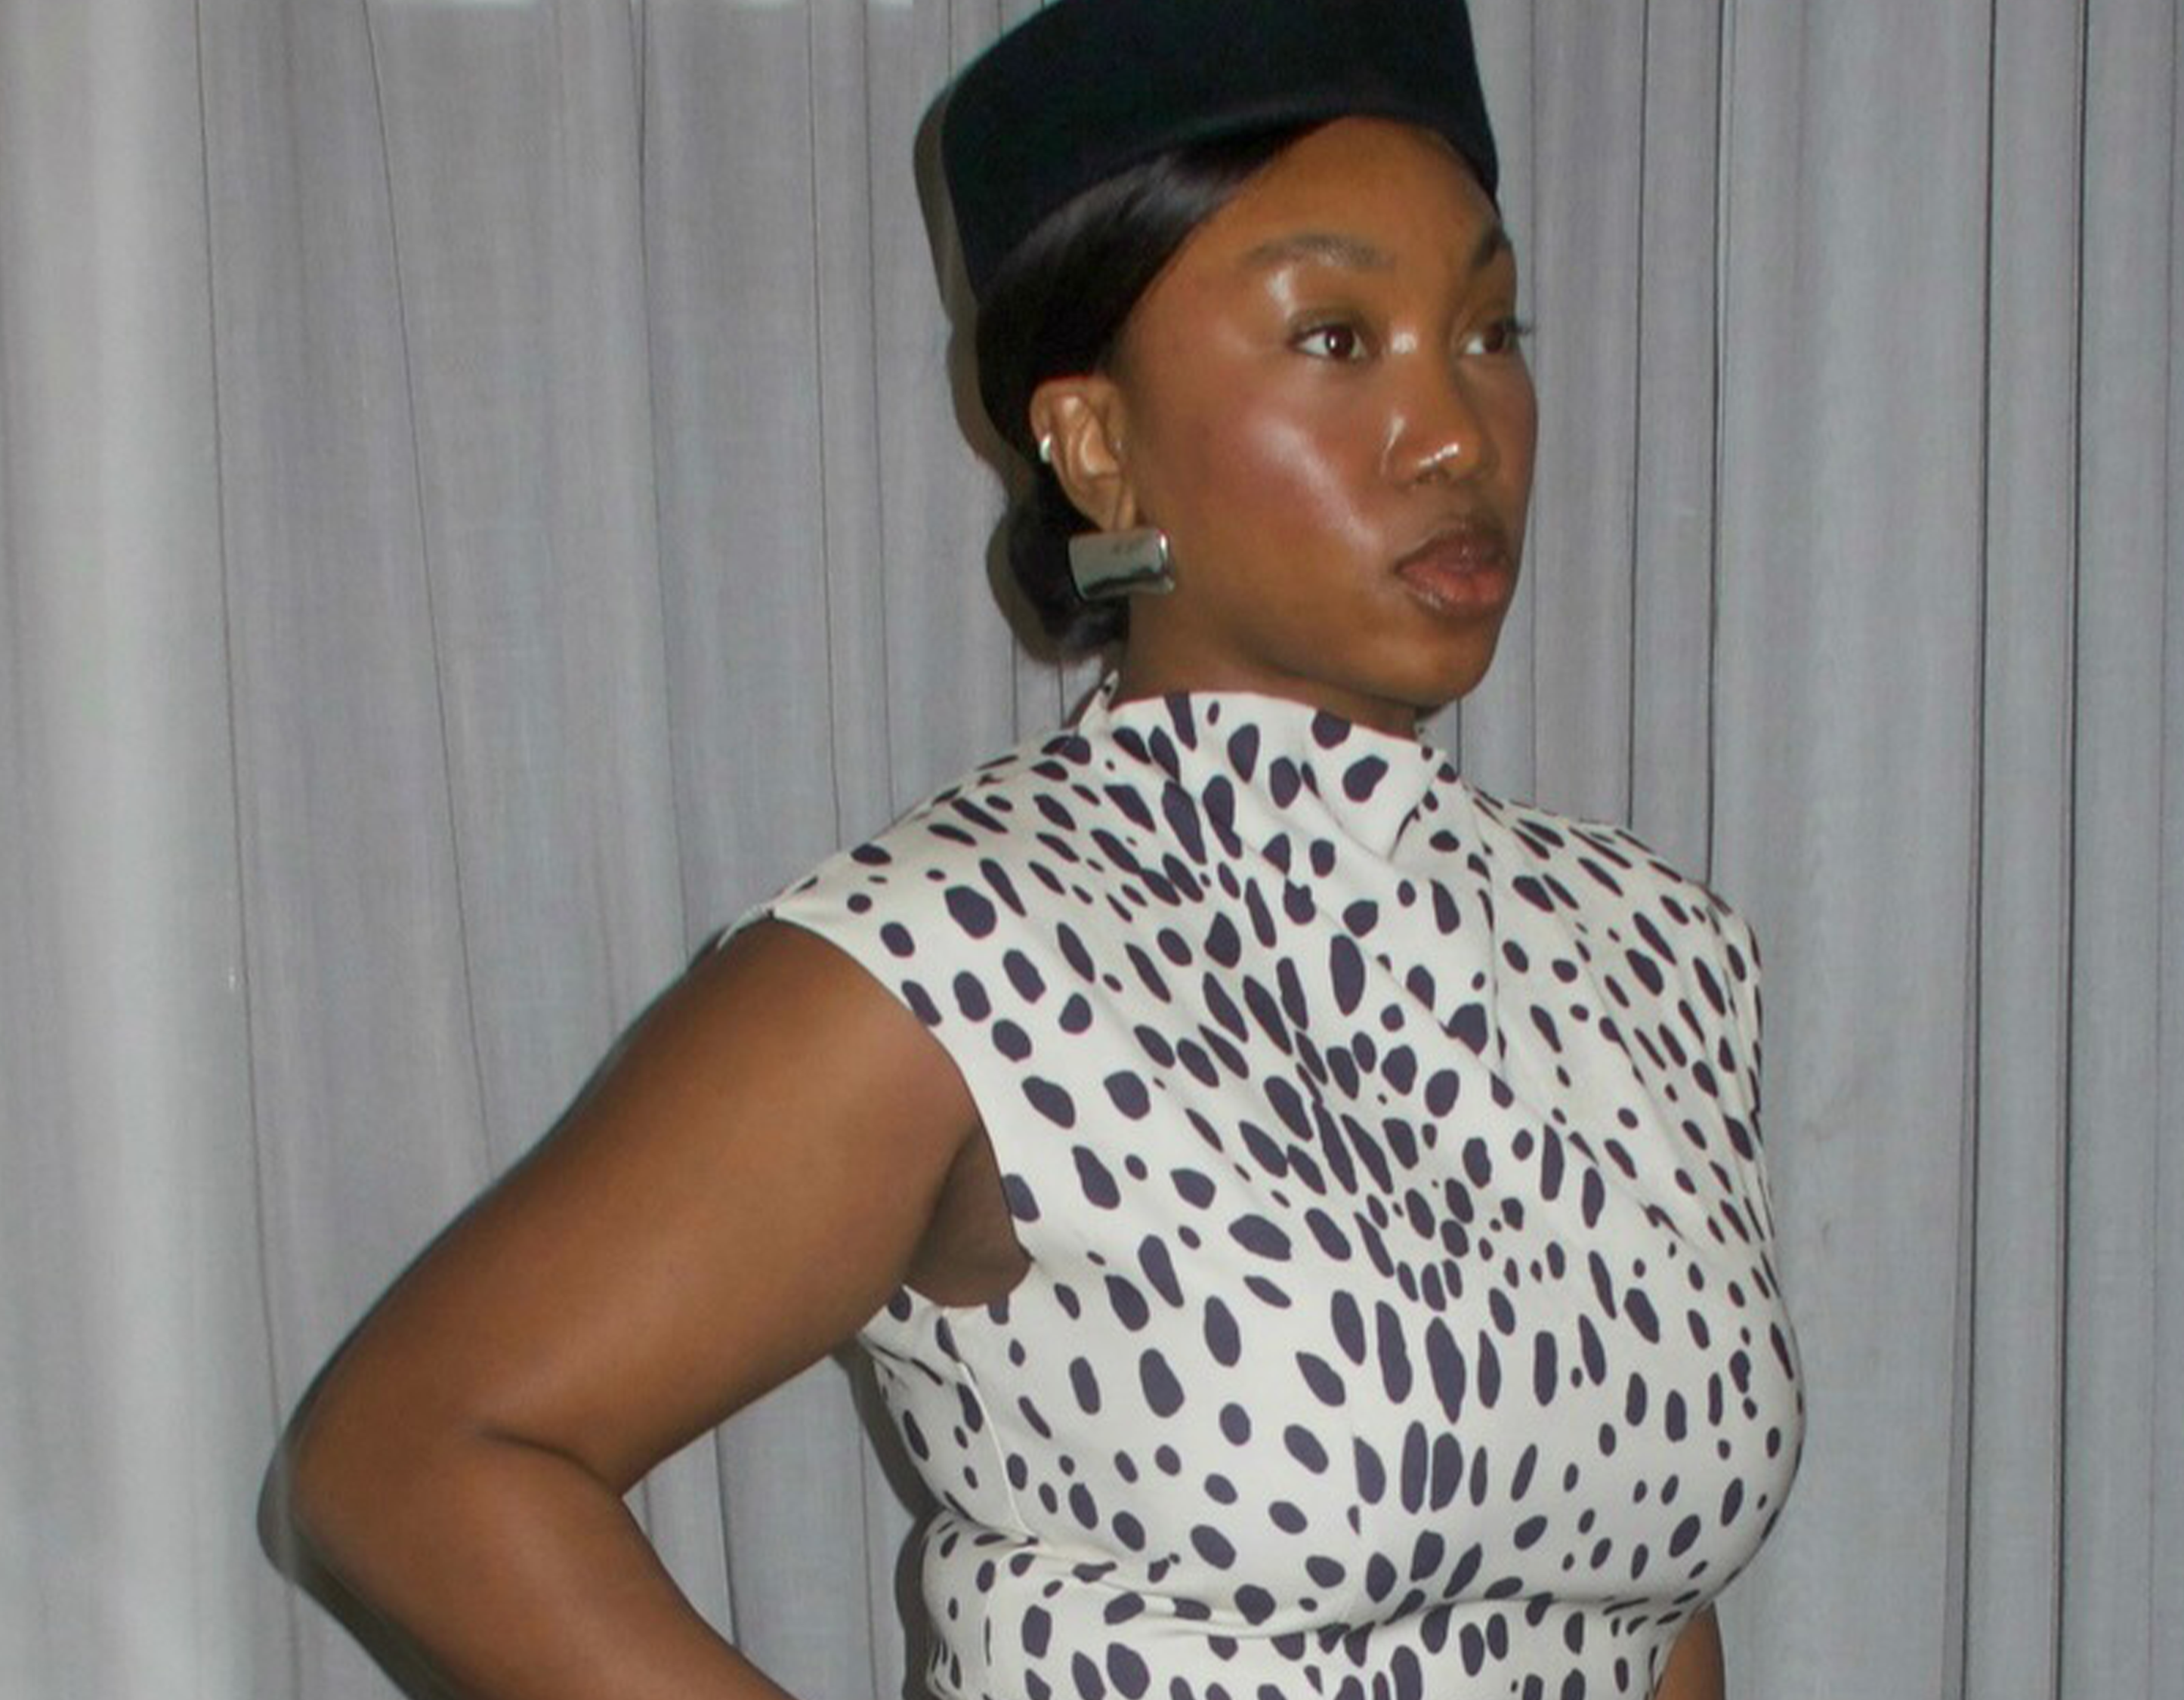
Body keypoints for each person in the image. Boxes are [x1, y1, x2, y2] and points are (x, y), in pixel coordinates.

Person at [271, 3, 1801, 1696]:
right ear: (1094, 443)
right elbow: (410, 1460)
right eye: (1334, 338)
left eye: (1491, 330)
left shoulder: (1655, 946)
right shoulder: (961, 958)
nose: (1457, 432)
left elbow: (1645, 1599)